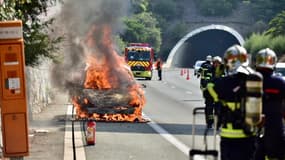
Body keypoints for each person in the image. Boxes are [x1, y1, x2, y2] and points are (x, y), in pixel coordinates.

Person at [206, 45, 257, 160]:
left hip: (228, 134)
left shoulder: (222, 83)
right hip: (249, 133)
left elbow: (209, 89)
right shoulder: (254, 81)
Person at [253, 48, 285, 160]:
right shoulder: (279, 82)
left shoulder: (249, 81)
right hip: (275, 124)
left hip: (252, 124)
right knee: (276, 155)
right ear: (274, 62)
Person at [198, 55, 214, 128]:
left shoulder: (203, 64)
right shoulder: (211, 66)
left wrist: (198, 75)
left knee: (203, 88)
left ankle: (205, 97)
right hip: (209, 82)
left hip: (203, 80)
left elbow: (199, 71)